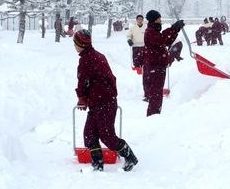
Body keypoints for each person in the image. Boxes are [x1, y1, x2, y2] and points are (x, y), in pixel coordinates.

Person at [74, 29, 138, 172]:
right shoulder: (97, 56)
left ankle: (130, 157)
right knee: (90, 134)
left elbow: (83, 82)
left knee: (107, 136)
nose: (74, 45)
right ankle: (97, 163)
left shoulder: (87, 60)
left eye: (75, 43)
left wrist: (82, 98)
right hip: (101, 101)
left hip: (104, 102)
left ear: (80, 44)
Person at [143, 10, 184, 116]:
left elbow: (166, 41)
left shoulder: (154, 31)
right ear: (154, 19)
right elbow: (162, 40)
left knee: (157, 92)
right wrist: (173, 28)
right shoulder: (150, 32)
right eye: (159, 19)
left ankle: (155, 114)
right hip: (155, 66)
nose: (160, 21)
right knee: (156, 93)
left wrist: (175, 30)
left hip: (158, 66)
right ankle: (153, 116)